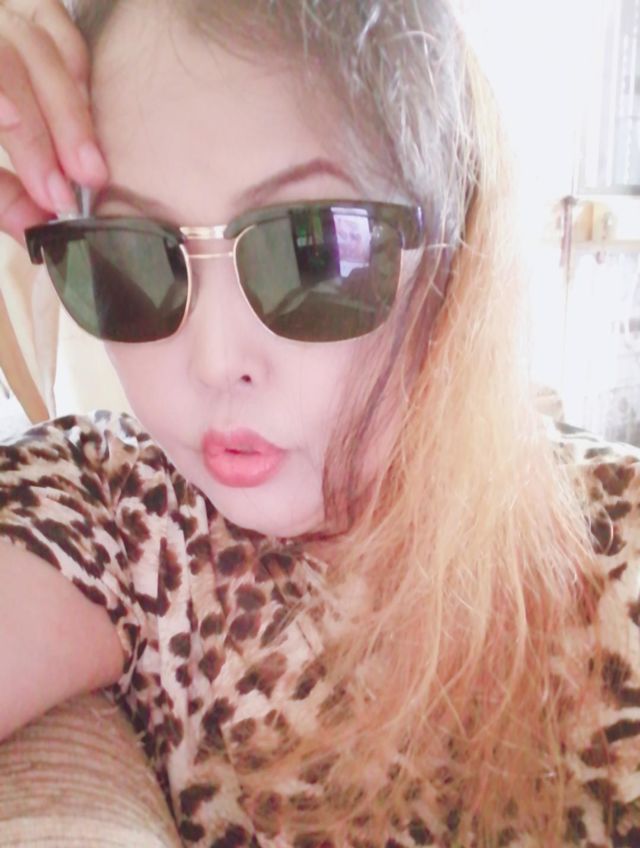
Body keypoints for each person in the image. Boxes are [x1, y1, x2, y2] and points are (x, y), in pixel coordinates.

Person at [0, 1, 639, 845]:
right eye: (128, 251)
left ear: (455, 249)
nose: (214, 360)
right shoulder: (108, 515)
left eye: (313, 250)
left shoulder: (618, 556)